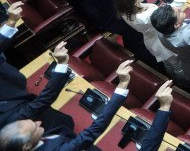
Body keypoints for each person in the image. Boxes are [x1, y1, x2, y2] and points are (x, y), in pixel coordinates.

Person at [0, 59, 136, 151]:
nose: (39, 122)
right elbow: (94, 130)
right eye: (35, 127)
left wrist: (62, 64)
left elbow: (41, 102)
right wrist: (122, 86)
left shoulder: (16, 128)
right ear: (27, 146)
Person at [113, 0, 186, 73]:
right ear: (134, 2)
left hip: (152, 40)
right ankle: (184, 81)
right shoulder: (146, 17)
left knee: (169, 64)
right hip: (164, 43)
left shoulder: (125, 10)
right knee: (178, 67)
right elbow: (177, 5)